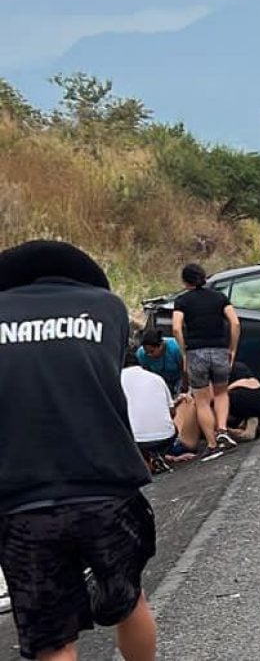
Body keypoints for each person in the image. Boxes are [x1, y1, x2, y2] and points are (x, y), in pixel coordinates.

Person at [0, 240, 157, 661]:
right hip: (108, 486)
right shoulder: (108, 309)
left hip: (22, 499)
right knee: (129, 601)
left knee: (53, 638)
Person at [172, 263, 241, 451]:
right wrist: (232, 348)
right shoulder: (219, 297)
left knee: (202, 401)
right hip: (219, 350)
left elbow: (176, 327)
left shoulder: (182, 301)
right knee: (221, 393)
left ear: (185, 281)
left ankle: (212, 443)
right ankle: (223, 430)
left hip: (195, 352)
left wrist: (184, 351)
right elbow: (235, 322)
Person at [121, 350, 196, 474]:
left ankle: (147, 462)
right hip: (165, 439)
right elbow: (172, 413)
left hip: (136, 442)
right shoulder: (156, 378)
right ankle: (157, 456)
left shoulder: (115, 381)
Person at [135, 328, 183, 397]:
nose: (149, 355)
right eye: (147, 352)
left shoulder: (176, 348)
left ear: (161, 345)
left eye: (152, 351)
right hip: (157, 380)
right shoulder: (141, 354)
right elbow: (145, 374)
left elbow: (183, 369)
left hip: (178, 378)